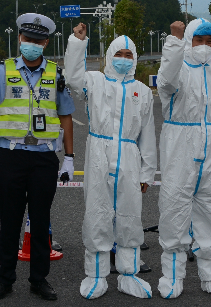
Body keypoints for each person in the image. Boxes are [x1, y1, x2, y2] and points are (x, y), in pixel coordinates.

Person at [0, 13, 75, 302]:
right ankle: (5, 279)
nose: (32, 44)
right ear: (20, 39)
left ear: (46, 43)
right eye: (27, 39)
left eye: (38, 41)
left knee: (40, 222)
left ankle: (39, 280)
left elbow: (65, 116)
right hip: (11, 156)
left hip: (44, 158)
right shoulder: (3, 70)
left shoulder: (56, 73)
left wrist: (70, 157)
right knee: (11, 221)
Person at [64, 24, 157, 300]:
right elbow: (72, 78)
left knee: (130, 216)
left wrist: (146, 172)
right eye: (120, 53)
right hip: (98, 152)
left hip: (130, 154)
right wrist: (77, 43)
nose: (124, 59)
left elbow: (148, 132)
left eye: (129, 55)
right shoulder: (94, 81)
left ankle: (129, 274)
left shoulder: (141, 90)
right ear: (109, 55)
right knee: (97, 213)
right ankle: (95, 276)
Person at [155, 18, 211, 299]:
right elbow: (165, 81)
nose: (204, 47)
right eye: (198, 40)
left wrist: (209, 133)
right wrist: (174, 42)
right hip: (180, 141)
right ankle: (172, 275)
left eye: (209, 41)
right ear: (188, 41)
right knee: (174, 207)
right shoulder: (178, 69)